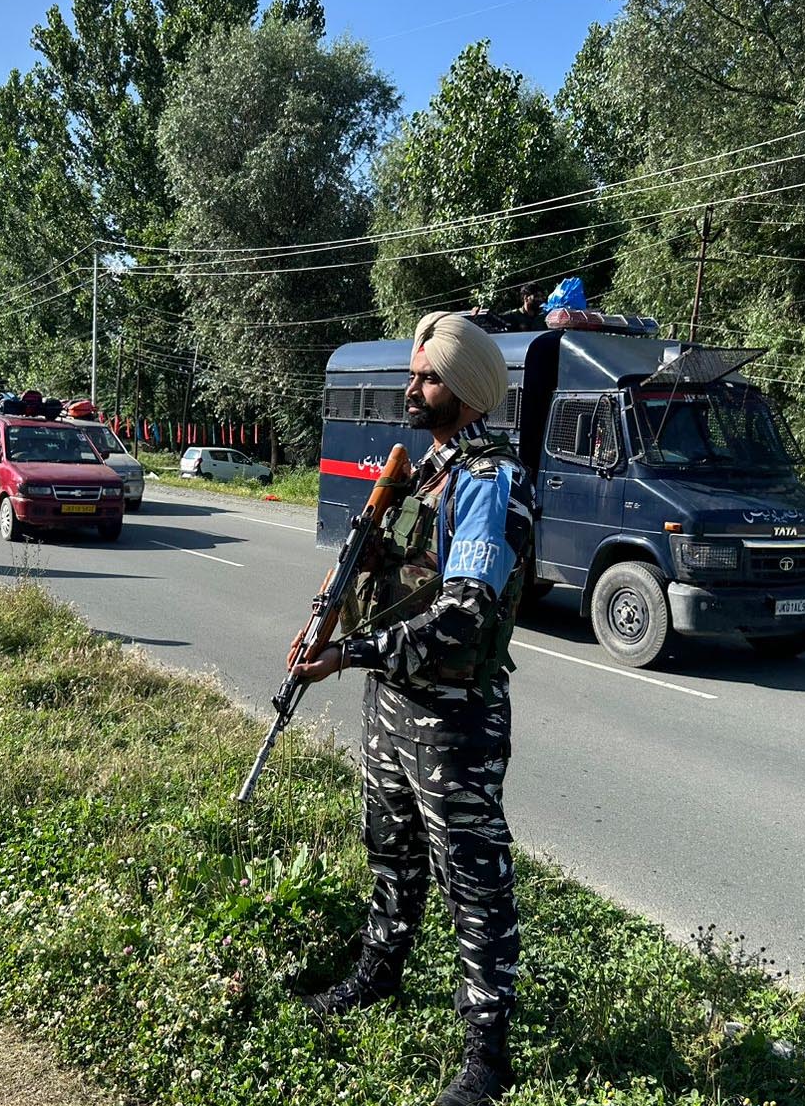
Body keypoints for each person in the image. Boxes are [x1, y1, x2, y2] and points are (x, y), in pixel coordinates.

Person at [292, 311, 534, 1106]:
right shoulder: (428, 471)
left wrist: (349, 653)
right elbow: (403, 578)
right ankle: (379, 973)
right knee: (390, 847)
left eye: (428, 378)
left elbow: (461, 618)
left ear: (466, 391)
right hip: (394, 700)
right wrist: (342, 601)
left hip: (454, 715)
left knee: (472, 878)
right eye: (414, 373)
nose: (412, 388)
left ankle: (487, 1056)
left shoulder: (487, 483)